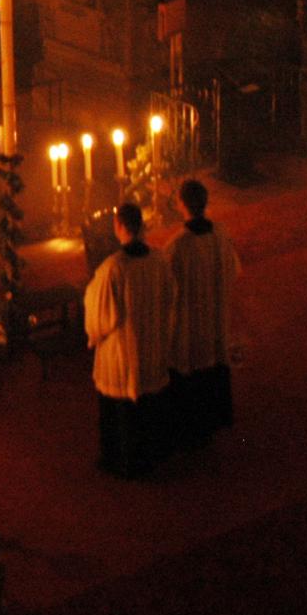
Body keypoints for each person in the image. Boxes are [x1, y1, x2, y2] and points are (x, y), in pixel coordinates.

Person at [85, 202, 177, 479]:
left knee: (122, 414)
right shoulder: (160, 260)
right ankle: (153, 453)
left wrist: (93, 336)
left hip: (122, 356)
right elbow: (171, 299)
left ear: (119, 227)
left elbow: (99, 318)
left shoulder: (112, 269)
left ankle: (123, 461)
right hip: (152, 350)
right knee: (149, 407)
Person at [165, 180, 240, 450]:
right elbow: (233, 270)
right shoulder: (220, 234)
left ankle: (189, 427)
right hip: (214, 318)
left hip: (187, 323)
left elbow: (166, 289)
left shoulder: (178, 246)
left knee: (189, 368)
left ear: (181, 204)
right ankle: (212, 421)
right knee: (212, 364)